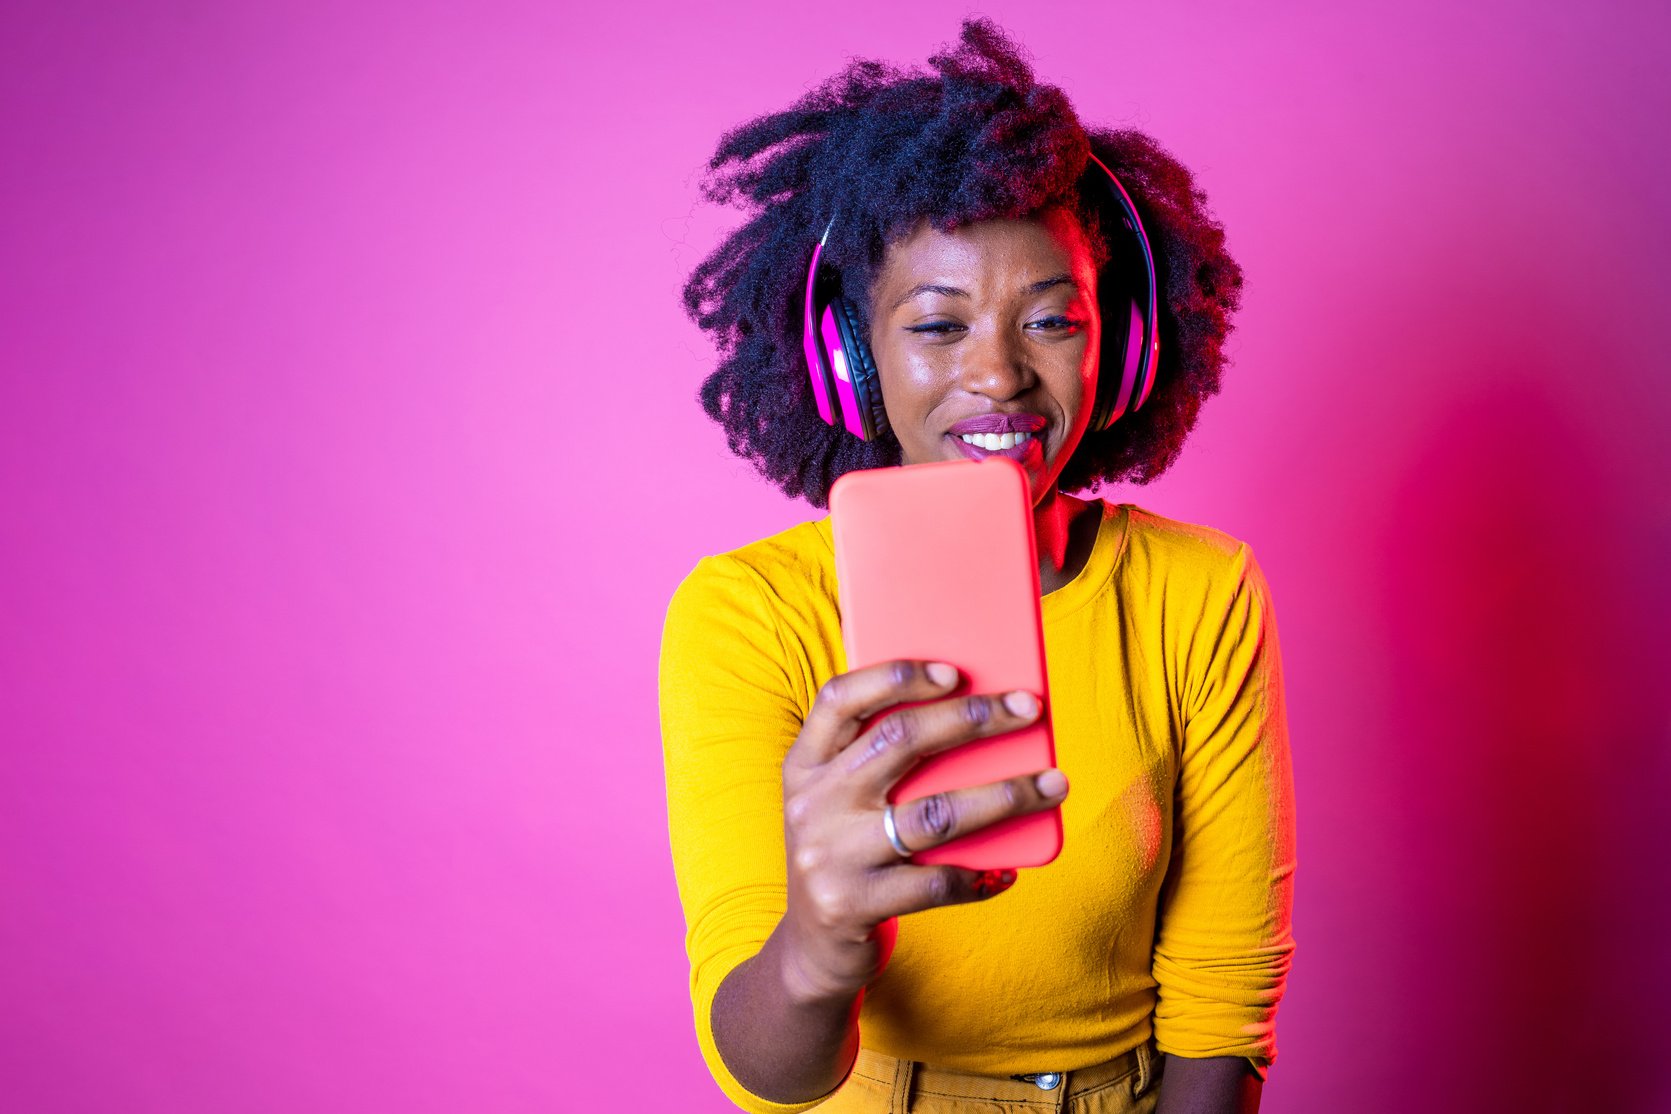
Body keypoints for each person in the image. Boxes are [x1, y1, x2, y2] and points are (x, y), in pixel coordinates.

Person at [659, 19, 1295, 1114]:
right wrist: (817, 944)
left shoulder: (1201, 592)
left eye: (1051, 318)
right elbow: (767, 1068)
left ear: (1124, 344)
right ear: (847, 360)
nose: (998, 374)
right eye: (938, 326)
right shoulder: (749, 612)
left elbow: (1220, 1008)